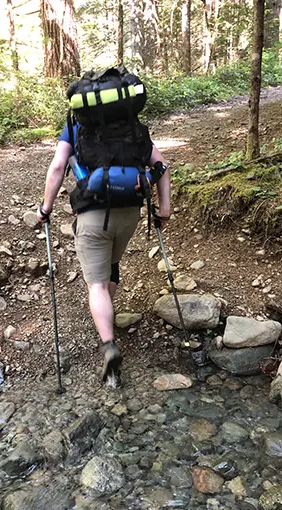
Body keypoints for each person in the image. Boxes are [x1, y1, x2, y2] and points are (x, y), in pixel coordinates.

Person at [37, 123, 171, 382]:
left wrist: (45, 209)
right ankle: (106, 318)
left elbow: (56, 168)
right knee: (112, 264)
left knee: (96, 284)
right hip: (130, 213)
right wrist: (164, 210)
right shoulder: (132, 126)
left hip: (93, 214)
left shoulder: (76, 127)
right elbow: (162, 167)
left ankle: (109, 346)